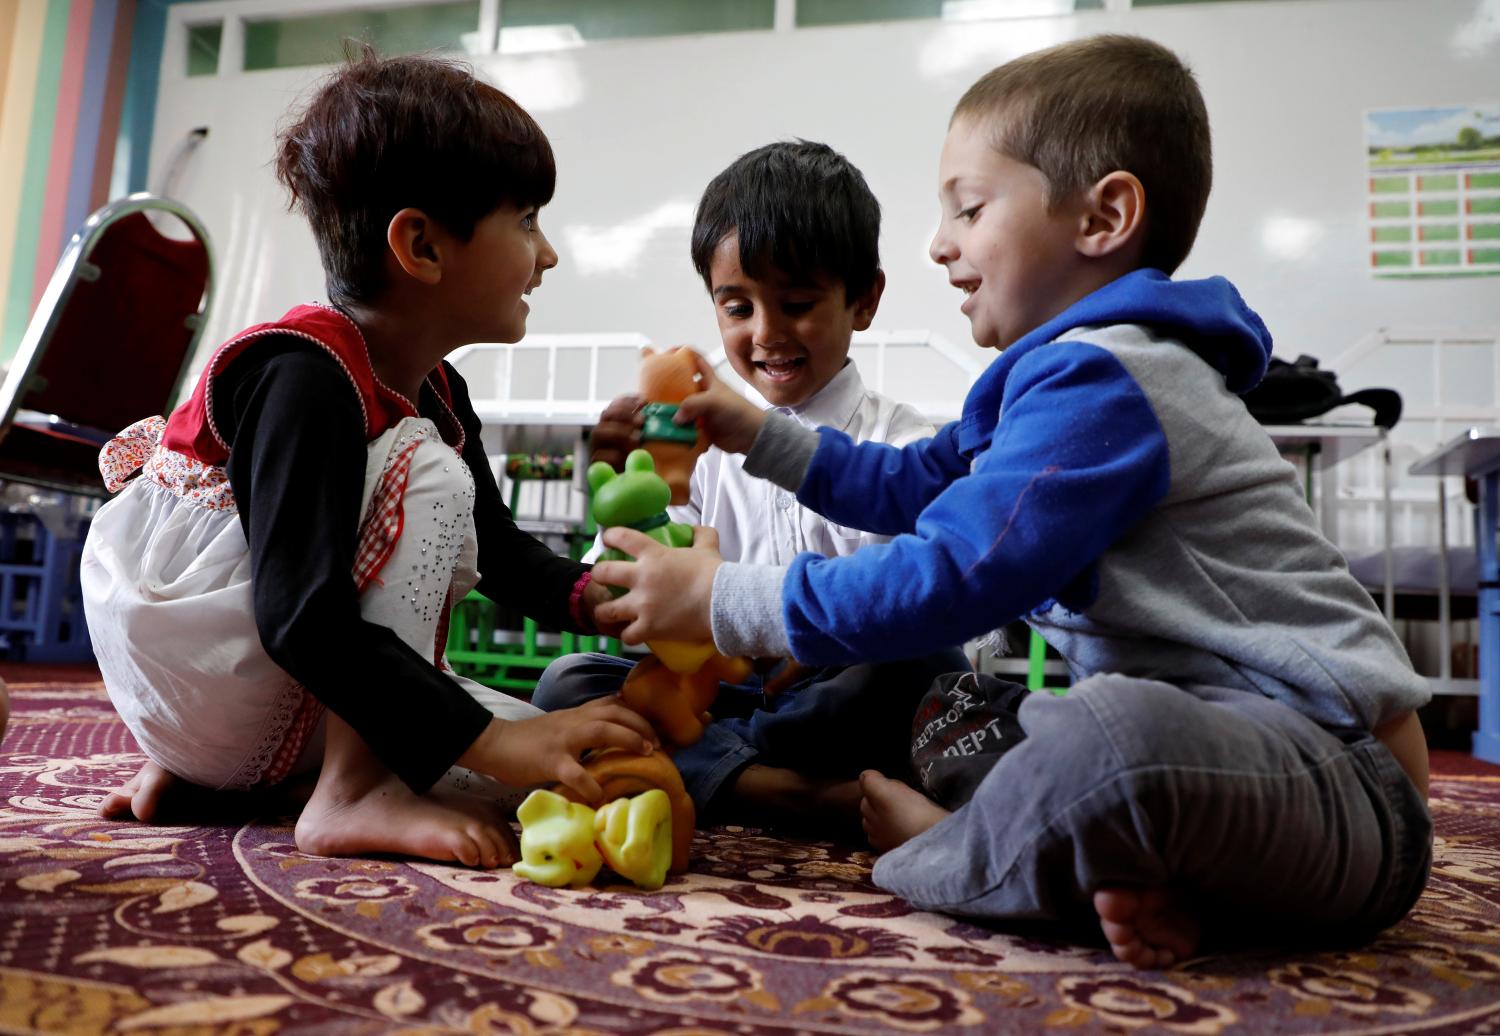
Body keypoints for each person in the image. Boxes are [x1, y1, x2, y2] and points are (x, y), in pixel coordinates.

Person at [589, 35, 1432, 968]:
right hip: (1235, 786)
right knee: (1022, 724)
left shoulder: (1110, 379)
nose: (939, 244)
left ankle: (938, 854)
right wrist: (752, 433)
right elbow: (909, 488)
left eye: (970, 209)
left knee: (1102, 736)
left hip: (1343, 774)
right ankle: (1139, 883)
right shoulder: (1039, 387)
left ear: (1103, 216)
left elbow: (956, 573)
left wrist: (722, 600)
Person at [80, 50, 657, 869]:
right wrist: (486, 741)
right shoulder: (303, 375)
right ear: (421, 245)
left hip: (235, 702)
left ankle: (232, 781)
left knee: (582, 768)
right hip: (221, 672)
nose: (549, 255)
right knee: (427, 475)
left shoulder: (437, 386)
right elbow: (299, 616)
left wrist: (602, 599)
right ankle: (352, 793)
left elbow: (497, 549)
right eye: (526, 220)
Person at [532, 141, 968, 831]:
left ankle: (723, 778)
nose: (766, 333)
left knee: (919, 664)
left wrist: (820, 638)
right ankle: (800, 795)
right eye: (737, 308)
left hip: (837, 695)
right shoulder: (695, 447)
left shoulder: (903, 444)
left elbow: (929, 598)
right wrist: (631, 500)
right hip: (724, 699)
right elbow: (629, 617)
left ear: (864, 299)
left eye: (796, 302)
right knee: (568, 686)